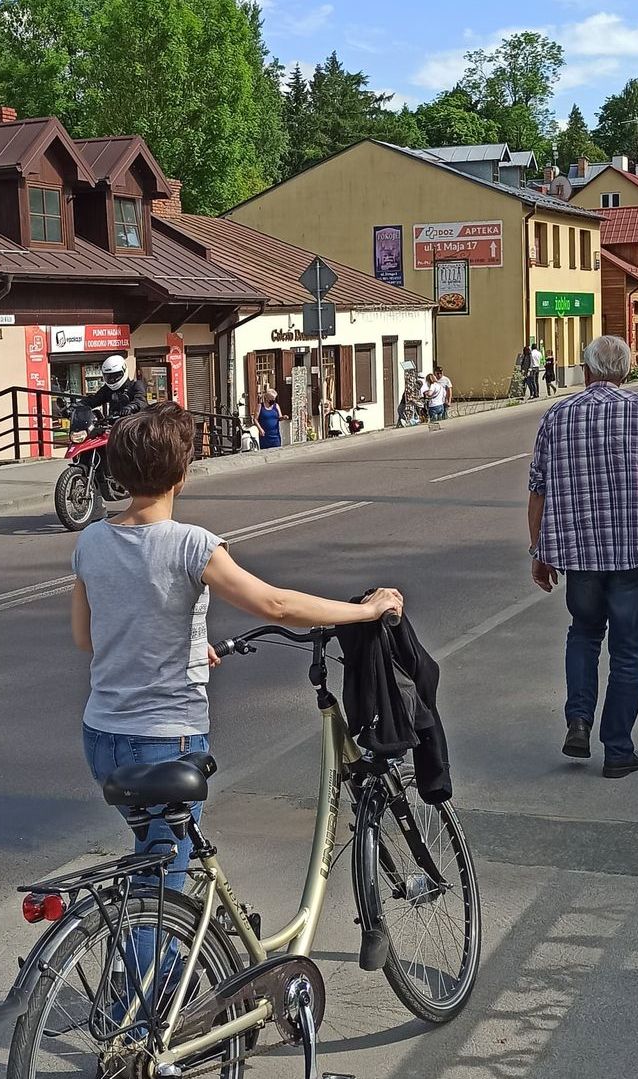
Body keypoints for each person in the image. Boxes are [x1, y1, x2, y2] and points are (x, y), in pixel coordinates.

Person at [71, 402, 403, 887]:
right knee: (162, 883)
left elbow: (90, 639)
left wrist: (183, 647)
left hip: (102, 737)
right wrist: (365, 611)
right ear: (181, 474)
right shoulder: (191, 544)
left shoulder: (91, 541)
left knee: (154, 856)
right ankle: (151, 962)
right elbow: (275, 605)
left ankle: (165, 946)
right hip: (165, 738)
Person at [528, 335, 638, 778]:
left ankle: (579, 721)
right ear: (625, 372)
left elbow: (538, 491)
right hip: (631, 558)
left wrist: (539, 552)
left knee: (583, 635)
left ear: (585, 372)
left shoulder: (557, 415)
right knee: (628, 652)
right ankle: (618, 749)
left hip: (578, 557)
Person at [81, 355, 146, 421]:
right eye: (108, 377)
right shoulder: (108, 389)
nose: (112, 380)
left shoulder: (136, 385)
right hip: (114, 424)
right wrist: (78, 405)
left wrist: (131, 407)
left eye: (115, 376)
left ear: (124, 370)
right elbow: (95, 399)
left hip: (134, 423)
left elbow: (140, 400)